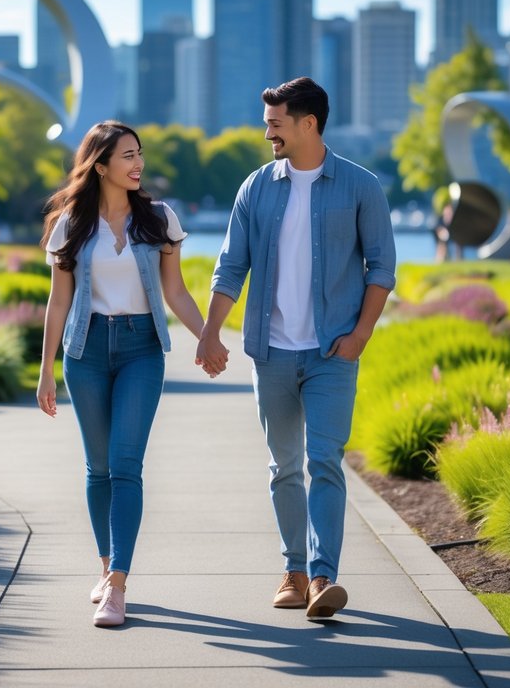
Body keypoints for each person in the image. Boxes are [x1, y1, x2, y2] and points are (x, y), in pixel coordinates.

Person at [196, 77, 396, 620]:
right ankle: (294, 570)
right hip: (273, 352)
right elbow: (231, 266)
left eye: (276, 124)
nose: (268, 134)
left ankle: (324, 577)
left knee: (324, 460)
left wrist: (359, 337)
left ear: (308, 124)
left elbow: (382, 268)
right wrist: (211, 331)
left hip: (333, 352)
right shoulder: (256, 188)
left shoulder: (360, 187)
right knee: (283, 465)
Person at [37, 121, 207, 628]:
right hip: (85, 350)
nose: (138, 165)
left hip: (141, 350)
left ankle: (118, 586)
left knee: (125, 464)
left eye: (140, 155)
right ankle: (105, 565)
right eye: (128, 156)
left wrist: (208, 337)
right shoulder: (72, 225)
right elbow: (59, 300)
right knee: (98, 469)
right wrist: (45, 372)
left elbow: (175, 292)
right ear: (101, 164)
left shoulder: (157, 219)